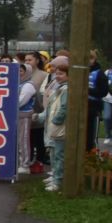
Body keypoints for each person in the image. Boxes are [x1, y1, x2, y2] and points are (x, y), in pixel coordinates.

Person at [42, 55, 70, 192]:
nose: (58, 76)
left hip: (59, 128)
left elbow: (64, 108)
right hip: (54, 127)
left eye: (61, 74)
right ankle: (55, 177)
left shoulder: (65, 89)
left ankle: (58, 181)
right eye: (56, 73)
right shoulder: (59, 88)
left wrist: (56, 121)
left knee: (58, 155)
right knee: (54, 153)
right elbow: (50, 107)